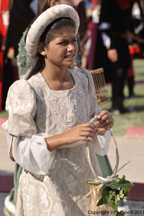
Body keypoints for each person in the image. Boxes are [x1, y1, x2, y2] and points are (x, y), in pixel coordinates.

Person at [2, 5, 114, 215]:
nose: (72, 48)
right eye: (63, 42)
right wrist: (64, 138)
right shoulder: (27, 89)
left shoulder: (84, 80)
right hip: (47, 191)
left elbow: (92, 127)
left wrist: (100, 126)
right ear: (42, 48)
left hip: (86, 184)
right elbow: (15, 150)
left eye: (74, 40)